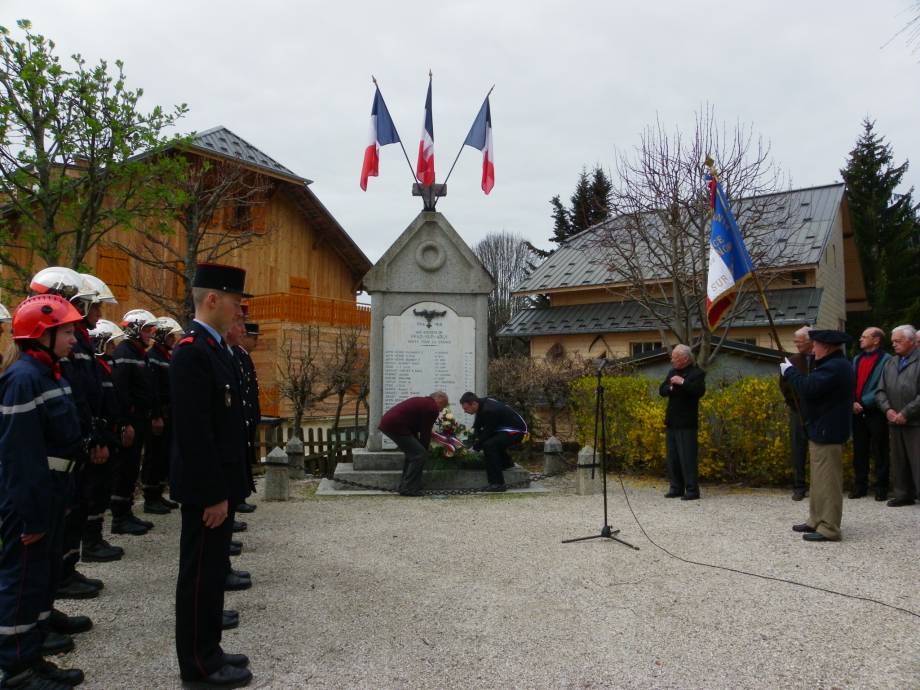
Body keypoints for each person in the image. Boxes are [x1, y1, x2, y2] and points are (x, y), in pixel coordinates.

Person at [170, 263, 252, 688]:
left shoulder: (216, 349)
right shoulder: (192, 351)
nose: (239, 311)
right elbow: (195, 433)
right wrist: (213, 494)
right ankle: (198, 667)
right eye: (235, 302)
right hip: (207, 491)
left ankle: (211, 651)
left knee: (212, 573)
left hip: (221, 485)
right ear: (213, 299)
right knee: (199, 577)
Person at [0, 295, 87, 689]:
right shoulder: (24, 379)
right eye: (66, 332)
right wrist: (32, 515)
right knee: (22, 583)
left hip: (51, 493)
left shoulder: (48, 372)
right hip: (30, 500)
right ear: (41, 335)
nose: (74, 338)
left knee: (41, 579)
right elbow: (20, 455)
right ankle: (16, 670)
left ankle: (32, 657)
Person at [782, 330, 855, 542]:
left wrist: (790, 371)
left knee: (828, 481)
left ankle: (829, 528)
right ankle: (816, 519)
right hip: (822, 428)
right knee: (819, 479)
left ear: (827, 347)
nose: (813, 349)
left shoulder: (834, 367)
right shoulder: (833, 364)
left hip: (828, 429)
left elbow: (809, 387)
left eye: (816, 345)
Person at [110, 309, 160, 535]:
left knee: (131, 468)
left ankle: (126, 512)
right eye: (147, 330)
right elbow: (120, 390)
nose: (151, 334)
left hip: (140, 418)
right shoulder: (124, 352)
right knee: (124, 467)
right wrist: (124, 423)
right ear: (135, 329)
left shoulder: (139, 353)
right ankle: (119, 518)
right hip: (130, 420)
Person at [875, 324, 920, 507]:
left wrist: (906, 412)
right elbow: (880, 390)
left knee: (917, 459)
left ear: (911, 341)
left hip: (915, 421)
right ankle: (903, 494)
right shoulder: (890, 362)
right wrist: (888, 410)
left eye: (898, 341)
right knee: (898, 460)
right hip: (894, 420)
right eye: (893, 341)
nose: (894, 344)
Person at [142, 316, 184, 514]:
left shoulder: (165, 356)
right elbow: (154, 390)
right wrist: (156, 415)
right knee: (154, 455)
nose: (173, 339)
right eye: (170, 336)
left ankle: (158, 493)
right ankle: (150, 497)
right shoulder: (153, 357)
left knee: (163, 454)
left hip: (169, 413)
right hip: (159, 414)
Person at [659, 344, 706, 501]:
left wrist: (683, 382)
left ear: (685, 359)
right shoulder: (672, 372)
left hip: (687, 422)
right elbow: (662, 389)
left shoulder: (697, 373)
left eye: (675, 357)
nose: (672, 360)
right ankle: (676, 487)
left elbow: (699, 391)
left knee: (687, 457)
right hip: (672, 421)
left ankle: (692, 490)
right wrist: (670, 389)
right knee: (673, 457)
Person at [378, 392, 449, 496]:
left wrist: (420, 448)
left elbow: (414, 427)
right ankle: (409, 488)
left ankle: (405, 486)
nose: (442, 410)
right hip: (396, 425)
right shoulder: (432, 407)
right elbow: (425, 432)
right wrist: (424, 450)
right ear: (440, 400)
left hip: (390, 423)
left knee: (413, 454)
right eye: (443, 405)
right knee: (419, 454)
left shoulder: (424, 402)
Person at [851, 327, 891, 500]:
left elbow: (885, 385)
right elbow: (850, 382)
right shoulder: (857, 359)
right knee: (859, 450)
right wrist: (852, 401)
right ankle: (860, 486)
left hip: (876, 411)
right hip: (856, 411)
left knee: (880, 449)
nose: (860, 339)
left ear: (876, 340)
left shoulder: (887, 360)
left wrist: (864, 402)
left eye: (864, 336)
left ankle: (881, 487)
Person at [459, 391, 527, 493]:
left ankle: (497, 484)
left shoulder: (489, 410)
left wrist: (474, 448)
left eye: (466, 408)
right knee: (491, 442)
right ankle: (506, 463)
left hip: (516, 431)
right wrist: (471, 442)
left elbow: (487, 433)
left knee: (490, 445)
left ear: (474, 404)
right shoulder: (481, 405)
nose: (465, 411)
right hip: (504, 429)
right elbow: (477, 427)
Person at [778, 326, 814, 501]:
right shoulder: (791, 361)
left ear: (810, 342)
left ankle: (818, 485)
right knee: (798, 449)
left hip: (817, 411)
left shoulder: (821, 360)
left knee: (818, 450)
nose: (796, 345)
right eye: (795, 342)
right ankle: (799, 486)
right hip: (797, 410)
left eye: (799, 341)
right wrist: (794, 403)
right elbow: (784, 385)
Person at [235, 321, 261, 514]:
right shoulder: (237, 356)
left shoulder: (244, 357)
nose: (256, 342)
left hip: (247, 416)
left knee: (244, 457)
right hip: (242, 417)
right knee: (239, 458)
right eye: (253, 338)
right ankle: (238, 497)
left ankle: (241, 495)